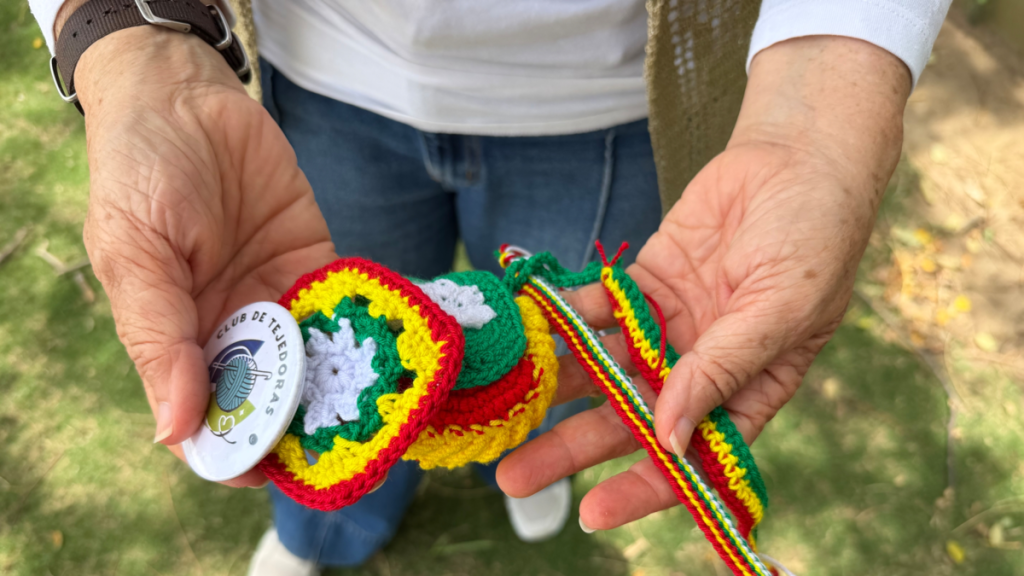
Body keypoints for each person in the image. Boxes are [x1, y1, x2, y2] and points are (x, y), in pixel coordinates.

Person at [28, 0, 952, 574]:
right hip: (318, 85)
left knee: (558, 360)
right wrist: (129, 45)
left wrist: (826, 111)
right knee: (314, 384)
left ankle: (521, 453)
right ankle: (328, 534)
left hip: (604, 107)